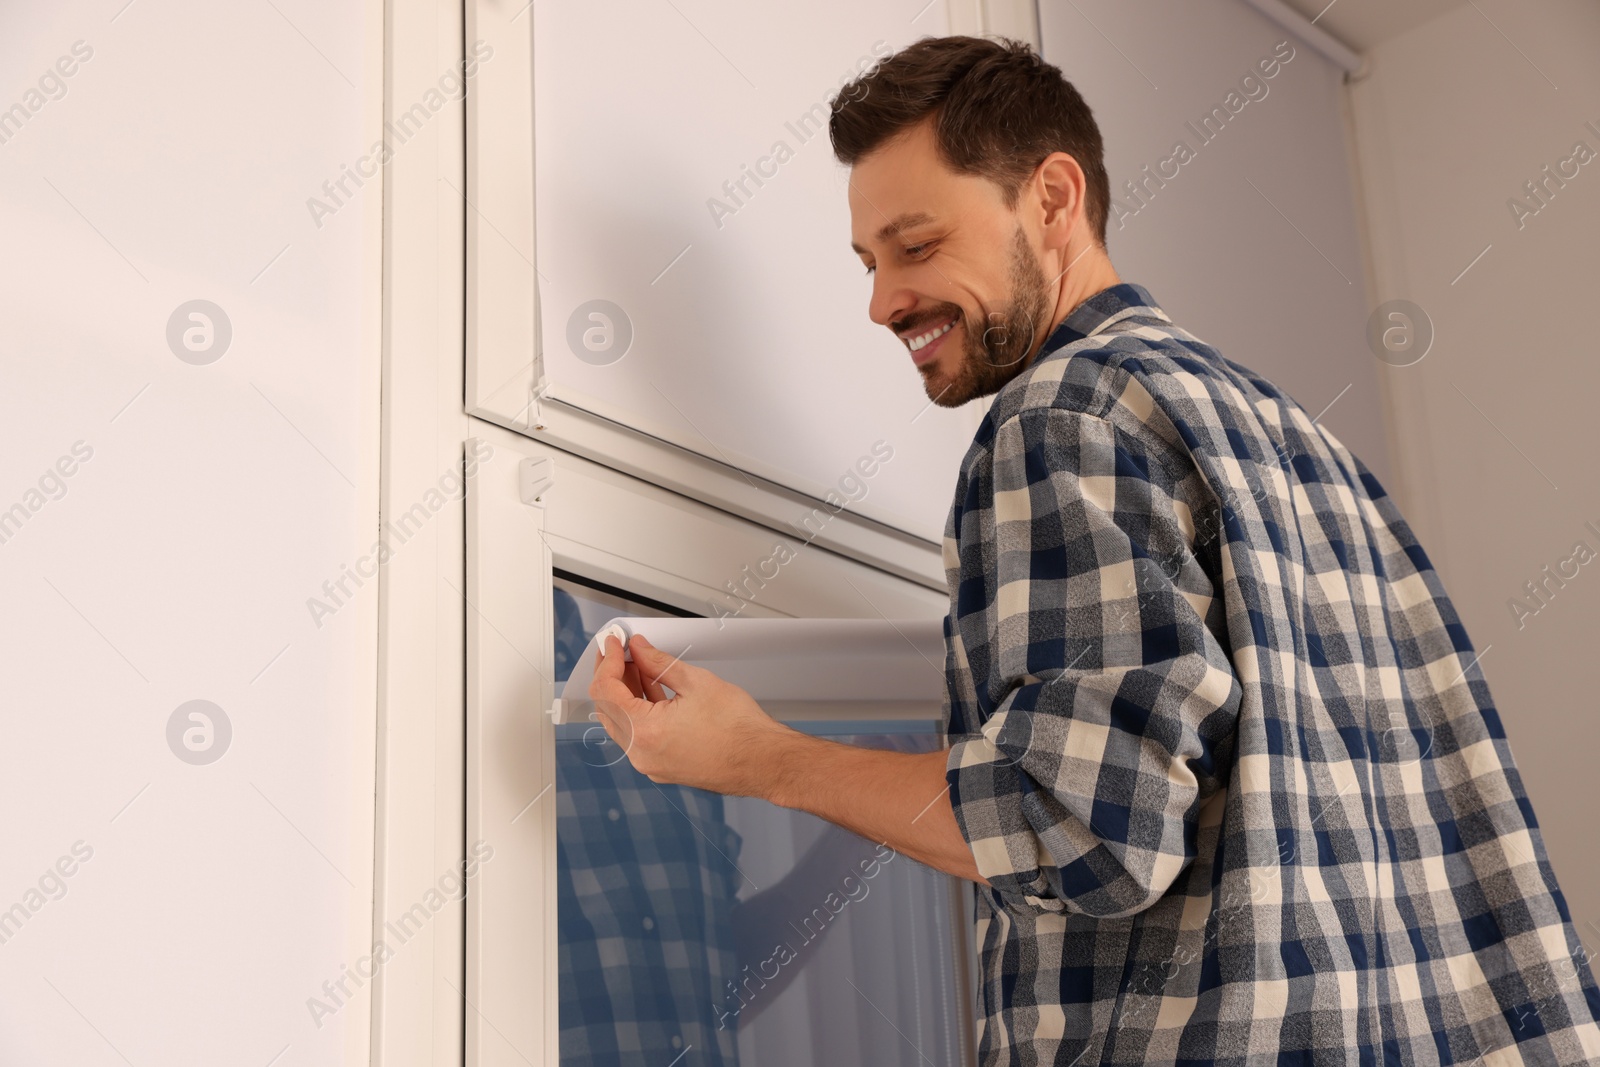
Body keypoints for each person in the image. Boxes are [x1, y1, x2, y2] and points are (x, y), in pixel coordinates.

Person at [589, 35, 1600, 1067]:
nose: (882, 300)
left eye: (917, 243)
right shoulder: (1301, 443)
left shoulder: (1062, 416)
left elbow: (1092, 825)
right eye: (869, 261)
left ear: (1053, 199)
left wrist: (761, 758)